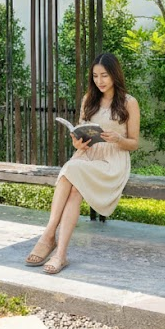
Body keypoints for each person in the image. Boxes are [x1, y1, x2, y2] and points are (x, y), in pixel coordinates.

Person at [25, 52, 140, 274]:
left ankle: (49, 236)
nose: (100, 81)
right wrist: (78, 143)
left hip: (112, 160)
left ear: (115, 75)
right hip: (87, 156)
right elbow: (81, 132)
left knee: (71, 170)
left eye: (104, 75)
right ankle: (60, 253)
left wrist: (118, 139)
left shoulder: (129, 102)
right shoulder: (89, 99)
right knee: (74, 182)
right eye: (95, 76)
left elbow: (134, 143)